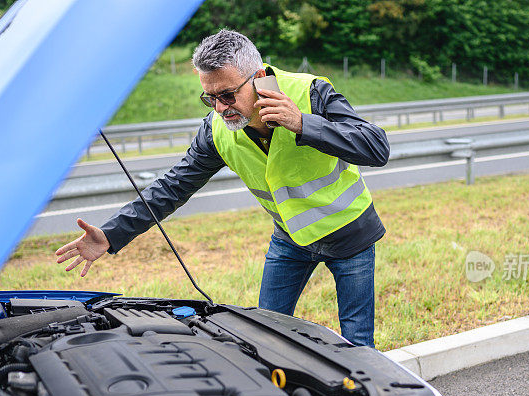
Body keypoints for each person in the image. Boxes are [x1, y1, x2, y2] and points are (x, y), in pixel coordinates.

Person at [55, 29, 389, 347]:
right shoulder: (217, 129)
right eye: (209, 98)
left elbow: (376, 147)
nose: (219, 108)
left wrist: (302, 123)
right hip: (291, 240)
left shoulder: (311, 93)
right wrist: (112, 234)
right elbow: (172, 186)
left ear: (259, 78)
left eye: (227, 95)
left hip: (350, 236)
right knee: (266, 335)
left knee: (358, 344)